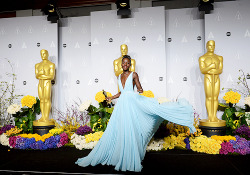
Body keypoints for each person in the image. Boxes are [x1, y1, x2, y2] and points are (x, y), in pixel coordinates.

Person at [76, 55, 196, 172]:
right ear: (121, 64)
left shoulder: (134, 74)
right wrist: (111, 97)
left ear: (130, 64)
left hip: (131, 103)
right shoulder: (119, 76)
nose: (125, 65)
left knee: (131, 127)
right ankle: (119, 153)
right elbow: (121, 92)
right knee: (119, 128)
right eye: (124, 63)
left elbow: (139, 88)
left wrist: (140, 90)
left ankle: (129, 154)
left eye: (127, 63)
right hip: (122, 105)